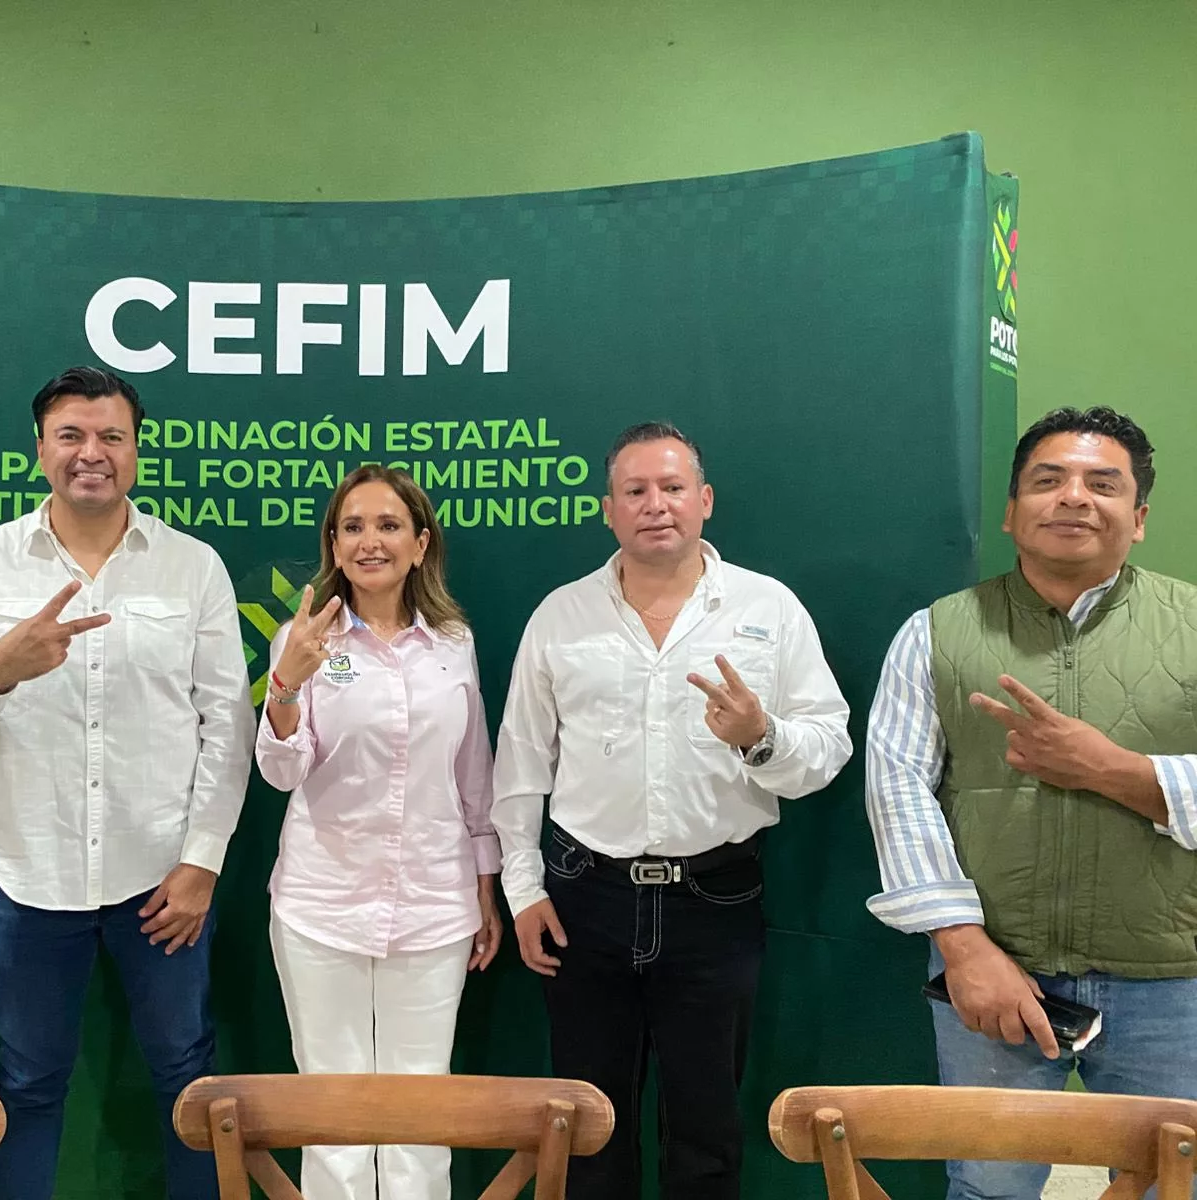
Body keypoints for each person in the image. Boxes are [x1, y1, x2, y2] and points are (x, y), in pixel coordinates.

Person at [0, 365, 253, 1200]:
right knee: (26, 1083)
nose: (90, 453)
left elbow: (227, 723)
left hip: (162, 880)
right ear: (39, 450)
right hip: (27, 877)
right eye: (70, 435)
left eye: (110, 436)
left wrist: (202, 861)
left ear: (136, 451)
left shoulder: (192, 566)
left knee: (188, 1080)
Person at [493, 420, 851, 1199]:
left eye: (672, 487)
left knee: (706, 1134)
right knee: (587, 1131)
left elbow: (829, 748)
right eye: (635, 491)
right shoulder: (562, 615)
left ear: (705, 500)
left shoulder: (768, 608)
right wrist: (522, 890)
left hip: (714, 901)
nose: (655, 504)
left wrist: (761, 737)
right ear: (608, 510)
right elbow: (520, 763)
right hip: (584, 900)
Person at [865, 406, 1197, 1200]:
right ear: (1013, 512)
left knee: (1171, 1184)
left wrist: (1114, 770)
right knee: (988, 1187)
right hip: (997, 972)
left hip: (1172, 978)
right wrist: (964, 949)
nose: (1074, 497)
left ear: (1139, 518)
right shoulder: (936, 633)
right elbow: (897, 791)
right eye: (1049, 481)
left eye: (1103, 484)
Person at [255, 465, 502, 1200]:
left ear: (421, 544)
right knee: (333, 1117)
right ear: (333, 546)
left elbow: (473, 771)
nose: (371, 541)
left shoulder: (453, 641)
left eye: (389, 525)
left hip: (433, 908)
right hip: (322, 907)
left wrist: (485, 883)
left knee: (419, 1115)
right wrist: (285, 684)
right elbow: (280, 771)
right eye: (353, 527)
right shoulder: (302, 640)